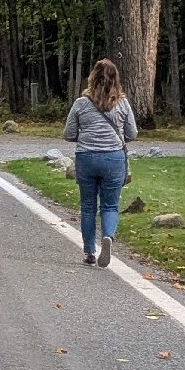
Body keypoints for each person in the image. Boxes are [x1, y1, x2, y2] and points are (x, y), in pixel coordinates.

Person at [63, 58, 137, 268]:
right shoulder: (122, 103)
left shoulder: (81, 103)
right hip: (114, 158)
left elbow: (69, 134)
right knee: (110, 205)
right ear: (115, 79)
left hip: (86, 158)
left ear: (92, 78)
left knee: (88, 206)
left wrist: (86, 136)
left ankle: (89, 251)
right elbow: (132, 132)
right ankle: (108, 236)